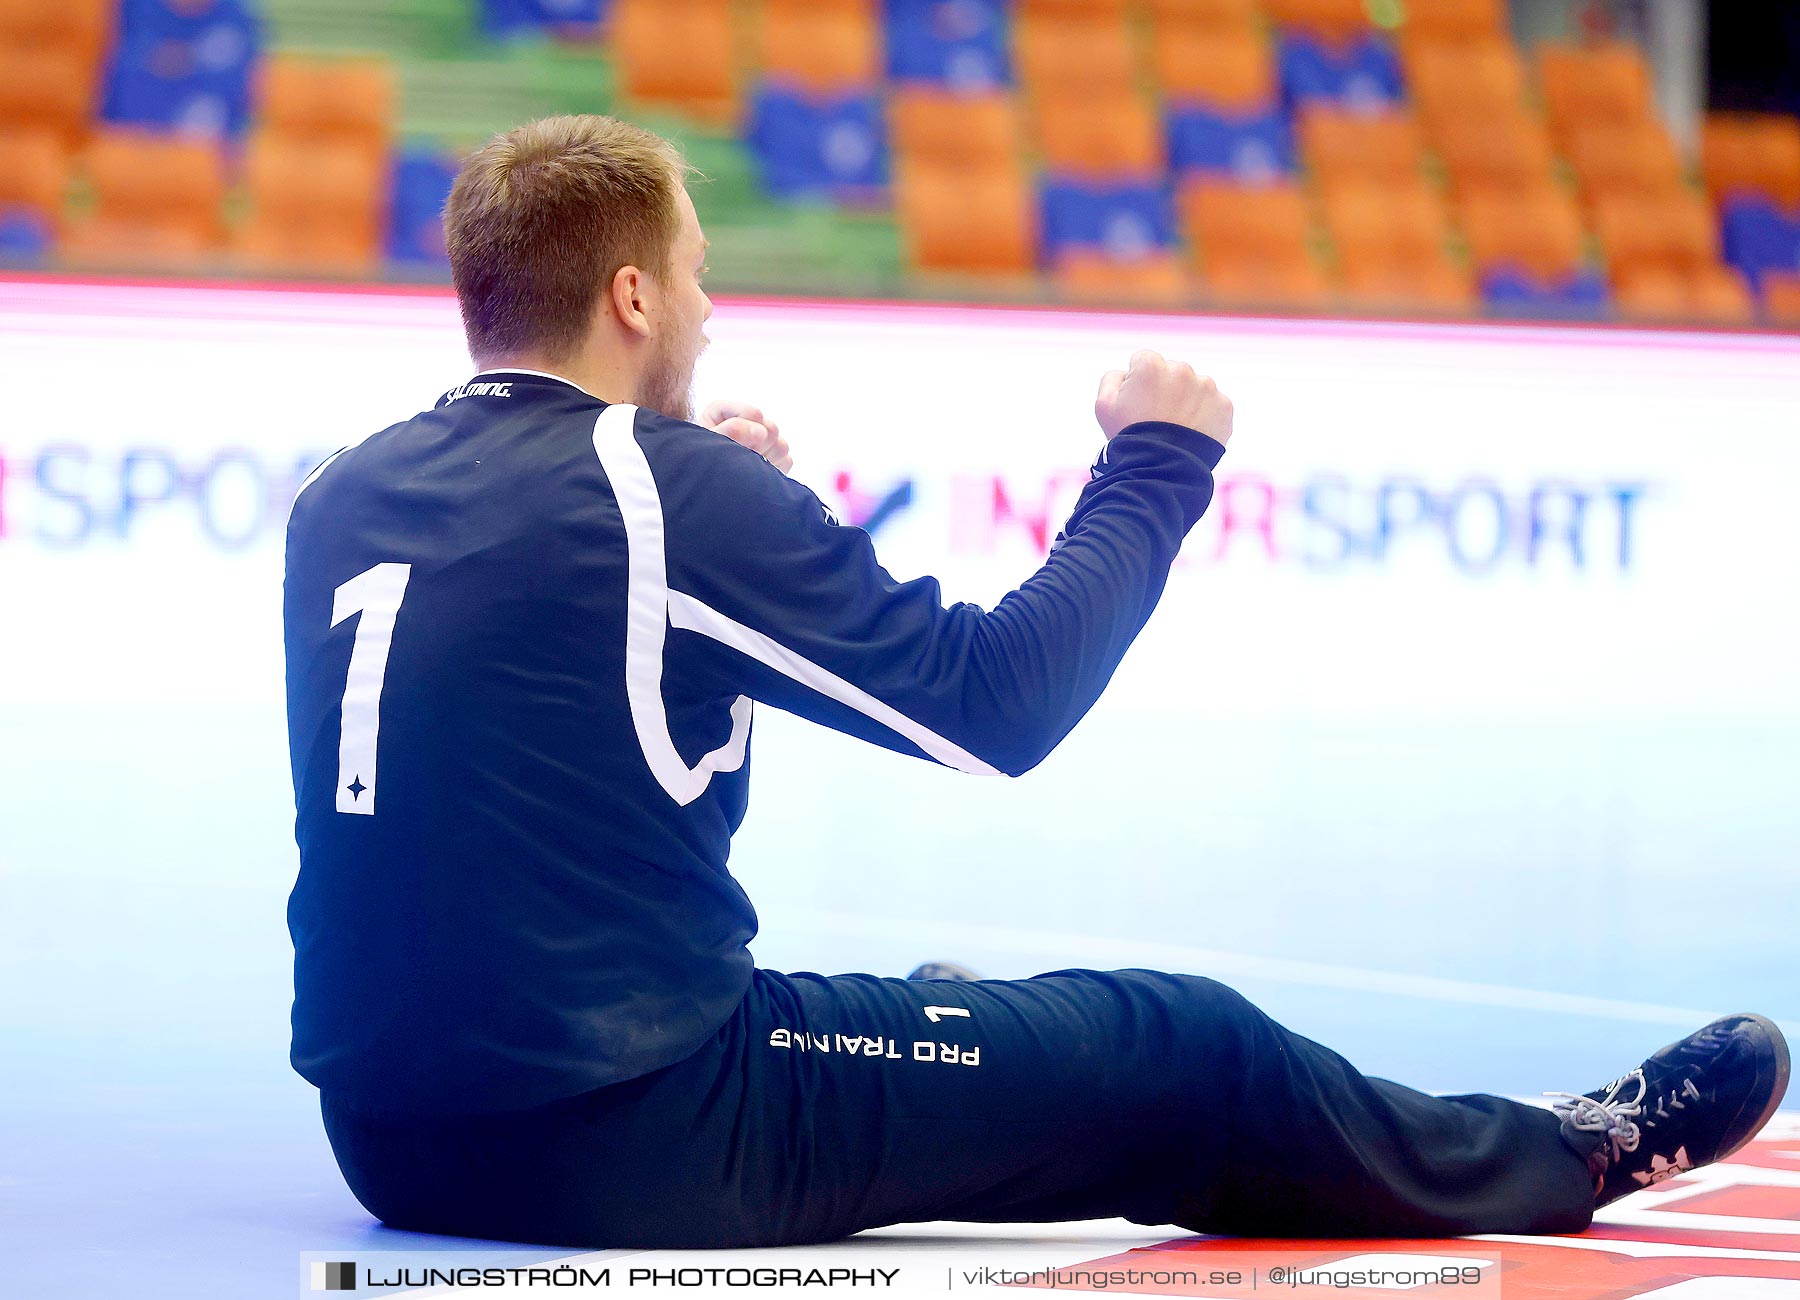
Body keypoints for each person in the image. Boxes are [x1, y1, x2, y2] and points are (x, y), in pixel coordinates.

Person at [283, 115, 1789, 1250]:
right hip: (630, 1137)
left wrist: (722, 549)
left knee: (928, 1016)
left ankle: (972, 1050)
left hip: (393, 1137)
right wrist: (1156, 463)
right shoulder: (659, 487)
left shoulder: (345, 491)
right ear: (628, 298)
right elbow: (1000, 704)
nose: (704, 313)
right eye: (694, 281)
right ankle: (1562, 1157)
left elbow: (567, 781)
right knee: (1179, 1045)